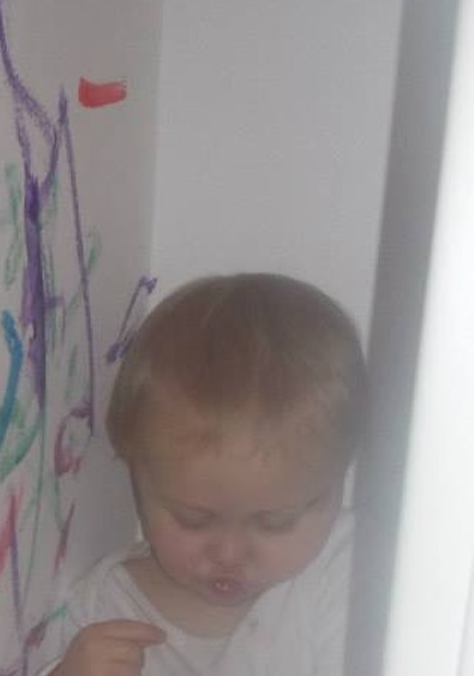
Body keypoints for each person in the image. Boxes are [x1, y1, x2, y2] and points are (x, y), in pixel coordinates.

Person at [41, 273, 368, 676]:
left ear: (336, 484)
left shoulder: (350, 570)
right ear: (138, 475)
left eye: (275, 523)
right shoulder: (108, 605)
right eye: (192, 519)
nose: (228, 554)